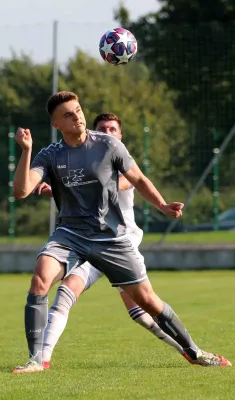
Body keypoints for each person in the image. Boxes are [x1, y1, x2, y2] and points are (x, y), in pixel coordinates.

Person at [12, 91, 231, 374]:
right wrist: (26, 150)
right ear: (56, 124)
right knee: (41, 277)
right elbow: (21, 191)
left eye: (78, 110)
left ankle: (194, 352)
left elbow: (138, 179)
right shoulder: (50, 155)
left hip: (110, 239)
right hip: (70, 235)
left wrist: (163, 205)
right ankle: (35, 360)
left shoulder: (107, 146)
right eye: (68, 114)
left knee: (148, 302)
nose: (77, 116)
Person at [33, 113, 187, 369]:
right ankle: (43, 359)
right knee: (65, 292)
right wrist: (57, 189)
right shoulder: (84, 164)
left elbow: (114, 184)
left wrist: (63, 185)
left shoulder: (121, 164)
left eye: (112, 128)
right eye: (102, 128)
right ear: (93, 134)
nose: (107, 132)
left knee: (142, 310)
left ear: (120, 135)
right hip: (87, 242)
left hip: (119, 244)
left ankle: (187, 349)